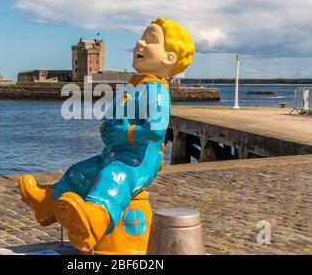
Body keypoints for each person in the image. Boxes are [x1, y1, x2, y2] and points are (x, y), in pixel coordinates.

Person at [18, 17, 196, 251]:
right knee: (77, 173)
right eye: (141, 38)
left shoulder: (156, 91)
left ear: (169, 58)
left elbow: (155, 130)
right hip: (113, 153)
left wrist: (127, 133)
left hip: (139, 161)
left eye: (150, 40)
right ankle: (48, 204)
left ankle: (95, 220)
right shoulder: (134, 86)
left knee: (114, 177)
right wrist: (107, 127)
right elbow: (114, 116)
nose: (139, 43)